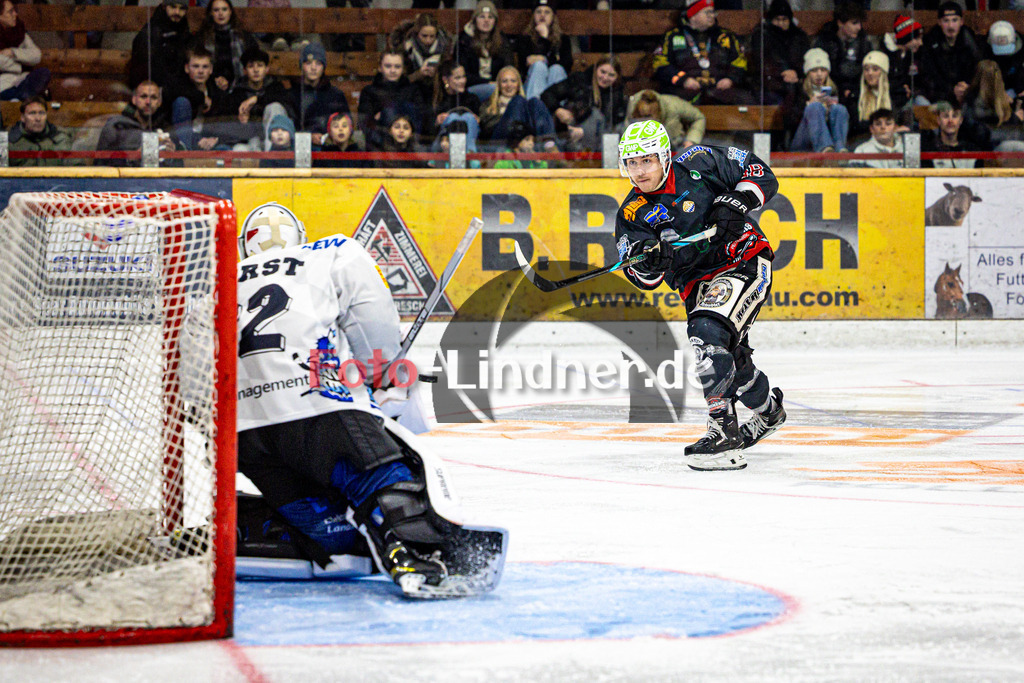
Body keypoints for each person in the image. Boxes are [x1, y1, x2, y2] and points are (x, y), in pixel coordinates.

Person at [234, 203, 504, 597]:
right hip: (316, 405)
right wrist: (381, 374)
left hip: (243, 431)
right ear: (301, 236)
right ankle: (416, 555)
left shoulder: (220, 278)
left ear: (244, 247)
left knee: (331, 529)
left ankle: (259, 529)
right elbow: (373, 325)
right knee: (386, 476)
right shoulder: (329, 252)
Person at [614, 121, 785, 471]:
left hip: (743, 258)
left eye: (647, 160)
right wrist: (649, 261)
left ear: (665, 156)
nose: (640, 171)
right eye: (632, 163)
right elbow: (640, 275)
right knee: (733, 362)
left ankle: (723, 433)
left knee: (706, 334)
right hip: (697, 285)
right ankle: (770, 412)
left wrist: (736, 200)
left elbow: (760, 172)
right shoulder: (631, 213)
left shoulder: (700, 160)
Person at [652, 0, 751, 105]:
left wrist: (730, 79)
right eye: (707, 12)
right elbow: (660, 64)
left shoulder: (726, 37)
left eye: (713, 12)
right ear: (693, 16)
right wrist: (683, 80)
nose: (712, 16)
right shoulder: (672, 36)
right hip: (683, 90)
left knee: (746, 100)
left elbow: (739, 62)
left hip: (720, 90)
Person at [540, 55, 626, 151]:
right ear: (596, 69)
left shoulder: (617, 95)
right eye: (602, 72)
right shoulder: (579, 80)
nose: (605, 78)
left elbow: (613, 125)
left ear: (617, 77)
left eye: (611, 75)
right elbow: (547, 94)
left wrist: (586, 131)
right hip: (572, 132)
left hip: (599, 139)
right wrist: (558, 110)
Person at [164, 46, 233, 151]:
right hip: (181, 143)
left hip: (207, 141)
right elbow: (171, 92)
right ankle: (186, 154)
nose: (200, 71)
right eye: (195, 66)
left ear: (211, 69)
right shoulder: (178, 87)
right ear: (187, 68)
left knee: (225, 149)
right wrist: (202, 98)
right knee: (182, 102)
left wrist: (215, 139)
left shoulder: (216, 91)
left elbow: (226, 123)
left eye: (205, 67)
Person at [783, 48, 850, 153]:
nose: (819, 74)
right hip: (802, 141)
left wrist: (829, 110)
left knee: (839, 109)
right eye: (814, 70)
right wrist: (808, 104)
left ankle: (839, 148)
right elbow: (788, 120)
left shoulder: (835, 90)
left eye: (823, 70)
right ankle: (824, 148)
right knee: (814, 107)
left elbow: (846, 117)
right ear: (808, 73)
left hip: (831, 139)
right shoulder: (798, 89)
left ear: (827, 72)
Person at [284, 41, 350, 148]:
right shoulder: (292, 95)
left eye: (318, 63)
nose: (313, 68)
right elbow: (287, 128)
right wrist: (308, 137)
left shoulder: (335, 95)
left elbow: (347, 124)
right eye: (308, 63)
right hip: (299, 147)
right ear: (302, 66)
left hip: (331, 147)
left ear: (324, 67)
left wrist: (328, 137)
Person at [227, 45, 293, 151]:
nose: (256, 70)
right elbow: (233, 131)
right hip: (251, 141)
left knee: (274, 107)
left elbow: (285, 109)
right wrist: (243, 122)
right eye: (251, 66)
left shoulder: (275, 87)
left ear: (266, 69)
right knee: (238, 149)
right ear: (244, 70)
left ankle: (271, 155)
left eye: (260, 66)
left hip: (275, 144)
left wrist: (256, 99)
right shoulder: (238, 93)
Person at [356, 50, 426, 149]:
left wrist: (382, 115)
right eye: (388, 66)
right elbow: (365, 123)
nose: (393, 70)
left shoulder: (413, 91)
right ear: (380, 67)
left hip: (408, 148)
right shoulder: (369, 92)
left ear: (403, 69)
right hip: (378, 148)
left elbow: (419, 121)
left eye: (397, 66)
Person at [96, 80, 176, 166]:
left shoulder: (167, 130)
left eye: (153, 97)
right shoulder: (117, 125)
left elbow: (180, 166)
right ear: (134, 99)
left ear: (159, 102)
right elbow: (100, 163)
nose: (148, 102)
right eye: (143, 96)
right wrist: (133, 158)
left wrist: (171, 158)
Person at [746, 0, 810, 106]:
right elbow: (761, 61)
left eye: (784, 19)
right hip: (769, 84)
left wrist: (796, 72)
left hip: (796, 81)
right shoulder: (761, 36)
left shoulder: (799, 37)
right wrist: (782, 71)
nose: (781, 23)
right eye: (777, 19)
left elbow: (805, 59)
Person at [479, 65, 556, 149]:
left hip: (527, 141)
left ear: (518, 85)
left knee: (535, 101)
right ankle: (518, 143)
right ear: (499, 85)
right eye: (504, 81)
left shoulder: (526, 105)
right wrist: (508, 111)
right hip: (499, 143)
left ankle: (549, 145)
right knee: (518, 100)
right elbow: (486, 128)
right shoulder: (489, 103)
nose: (509, 85)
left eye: (513, 81)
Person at [919, 2, 982, 106]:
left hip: (967, 94)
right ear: (939, 22)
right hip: (939, 96)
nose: (950, 26)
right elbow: (928, 76)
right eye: (946, 21)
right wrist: (952, 90)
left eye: (954, 20)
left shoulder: (971, 42)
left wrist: (967, 87)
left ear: (961, 22)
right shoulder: (930, 43)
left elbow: (978, 70)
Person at [811, 1, 873, 103]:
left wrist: (853, 91)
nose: (859, 27)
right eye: (854, 23)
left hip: (856, 92)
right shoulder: (825, 41)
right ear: (840, 23)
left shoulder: (863, 42)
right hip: (831, 91)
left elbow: (866, 71)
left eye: (860, 23)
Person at [514, 0, 573, 101]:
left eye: (547, 12)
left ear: (553, 16)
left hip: (555, 82)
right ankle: (535, 106)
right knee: (539, 66)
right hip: (531, 85)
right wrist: (547, 56)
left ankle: (558, 107)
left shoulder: (563, 39)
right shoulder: (525, 38)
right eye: (538, 12)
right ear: (533, 16)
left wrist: (545, 41)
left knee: (556, 69)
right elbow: (524, 63)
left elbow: (566, 64)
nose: (542, 15)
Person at [456, 0, 514, 103]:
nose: (486, 20)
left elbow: (508, 67)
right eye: (482, 17)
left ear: (495, 21)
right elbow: (463, 73)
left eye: (490, 17)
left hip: (498, 85)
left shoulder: (502, 40)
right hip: (472, 87)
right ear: (475, 20)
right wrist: (487, 82)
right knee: (498, 91)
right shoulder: (464, 41)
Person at [193, 0, 257, 92]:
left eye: (224, 9)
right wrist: (215, 79)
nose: (220, 13)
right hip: (210, 85)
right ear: (211, 13)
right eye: (216, 10)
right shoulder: (202, 37)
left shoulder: (243, 36)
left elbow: (253, 62)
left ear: (230, 12)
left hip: (240, 87)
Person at [128, 0, 192, 89]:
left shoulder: (185, 32)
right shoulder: (150, 33)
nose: (177, 12)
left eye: (182, 8)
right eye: (173, 7)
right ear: (164, 7)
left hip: (177, 87)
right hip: (153, 88)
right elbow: (145, 69)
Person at [391, 13, 450, 105]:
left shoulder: (443, 48)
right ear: (417, 33)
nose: (428, 40)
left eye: (432, 36)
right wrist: (418, 75)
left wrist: (436, 74)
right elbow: (398, 81)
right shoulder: (405, 49)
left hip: (438, 94)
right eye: (424, 36)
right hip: (411, 94)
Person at [882, 15, 928, 129]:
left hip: (908, 100)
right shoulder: (884, 56)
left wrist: (911, 90)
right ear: (905, 39)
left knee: (923, 104)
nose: (921, 43)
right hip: (891, 103)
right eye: (916, 39)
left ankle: (932, 138)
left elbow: (922, 81)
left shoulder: (915, 54)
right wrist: (902, 88)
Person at [0, 0, 50, 101]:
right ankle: (24, 96)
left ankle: (23, 96)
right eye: (10, 12)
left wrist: (13, 52)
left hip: (23, 80)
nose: (15, 14)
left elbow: (36, 55)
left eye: (14, 10)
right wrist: (23, 65)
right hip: (4, 83)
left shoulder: (18, 31)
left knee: (44, 72)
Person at [625, 88, 706, 150]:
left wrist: (691, 140)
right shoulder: (631, 109)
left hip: (675, 146)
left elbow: (699, 117)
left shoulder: (673, 104)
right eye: (642, 118)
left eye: (650, 118)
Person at [7, 96, 77, 167]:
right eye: (32, 113)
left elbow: (75, 167)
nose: (38, 118)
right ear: (23, 117)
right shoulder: (10, 143)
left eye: (41, 113)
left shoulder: (61, 139)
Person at [847, 51, 895, 142]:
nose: (870, 73)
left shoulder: (895, 94)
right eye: (866, 69)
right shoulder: (855, 96)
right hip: (863, 140)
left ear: (883, 73)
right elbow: (854, 126)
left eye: (875, 69)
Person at [430, 60, 482, 139]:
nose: (463, 81)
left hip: (469, 141)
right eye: (458, 78)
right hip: (443, 143)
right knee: (453, 117)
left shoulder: (472, 99)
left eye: (464, 76)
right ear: (445, 80)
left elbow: (484, 132)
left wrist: (478, 121)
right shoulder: (436, 99)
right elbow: (425, 130)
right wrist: (437, 121)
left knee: (468, 117)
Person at [922, 100, 981, 168]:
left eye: (954, 116)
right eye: (946, 116)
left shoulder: (973, 151)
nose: (950, 120)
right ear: (938, 120)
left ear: (961, 120)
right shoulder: (929, 151)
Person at [983, 21, 1024, 101]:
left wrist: (1017, 92)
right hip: (994, 92)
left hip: (1015, 90)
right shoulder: (984, 51)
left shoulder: (1021, 53)